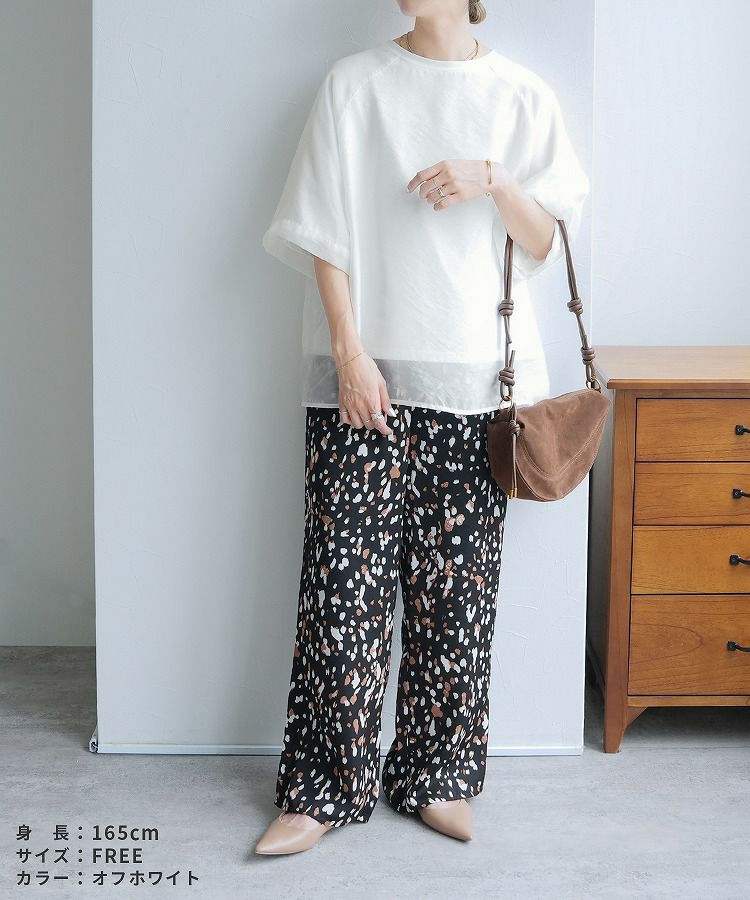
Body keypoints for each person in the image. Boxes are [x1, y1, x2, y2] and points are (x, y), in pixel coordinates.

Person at [256, 0, 590, 855]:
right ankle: (322, 789)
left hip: (478, 389)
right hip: (362, 385)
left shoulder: (522, 96)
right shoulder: (354, 85)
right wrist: (348, 352)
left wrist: (494, 178)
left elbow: (546, 242)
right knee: (341, 595)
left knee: (458, 602)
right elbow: (321, 231)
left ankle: (436, 776)